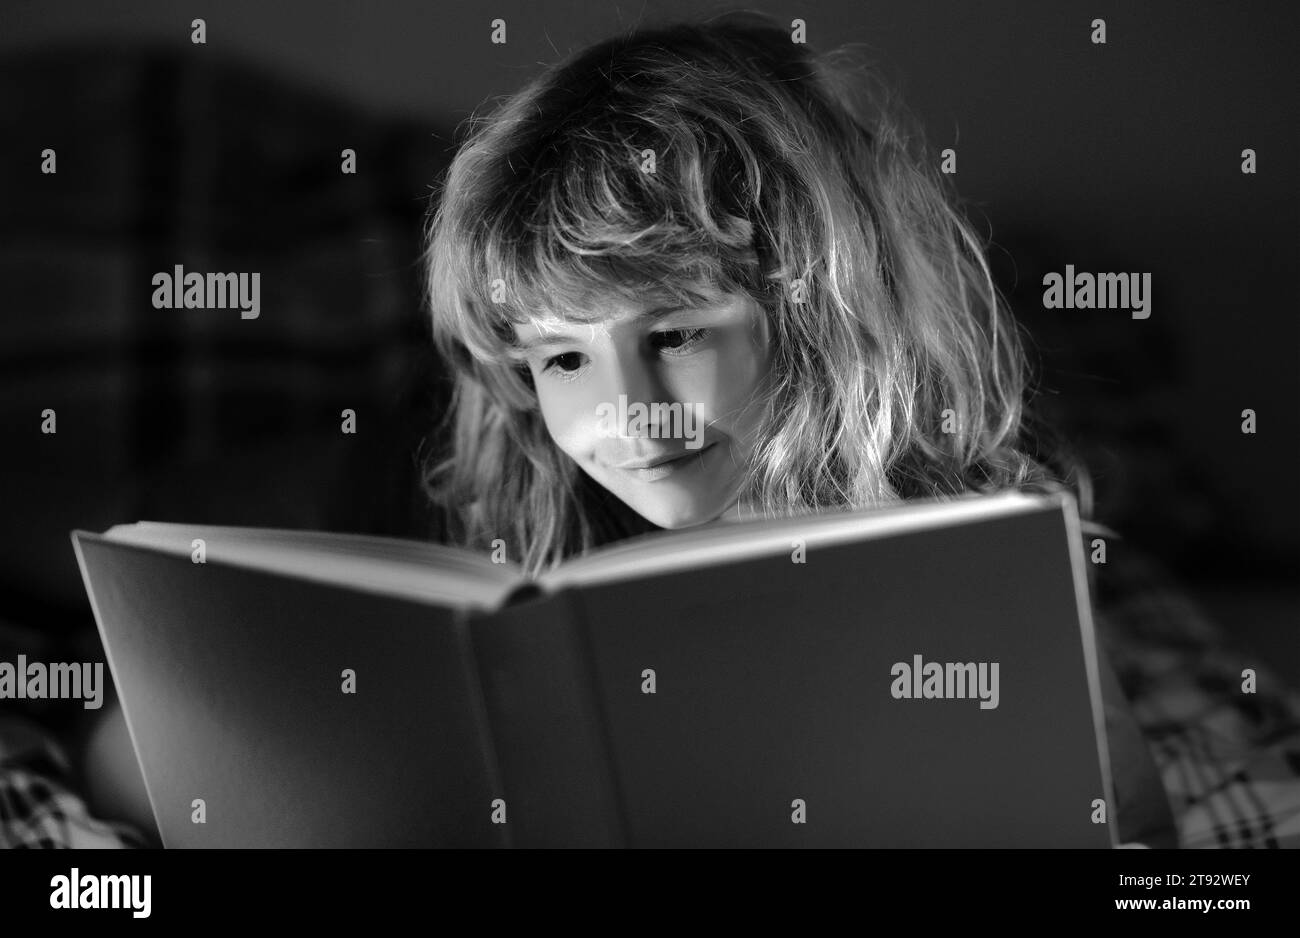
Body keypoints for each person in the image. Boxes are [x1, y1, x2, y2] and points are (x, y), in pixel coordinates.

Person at [420, 11, 1177, 847]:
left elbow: (1142, 842)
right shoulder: (551, 588)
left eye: (676, 335)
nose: (626, 412)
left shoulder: (982, 581)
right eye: (563, 360)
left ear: (820, 321)